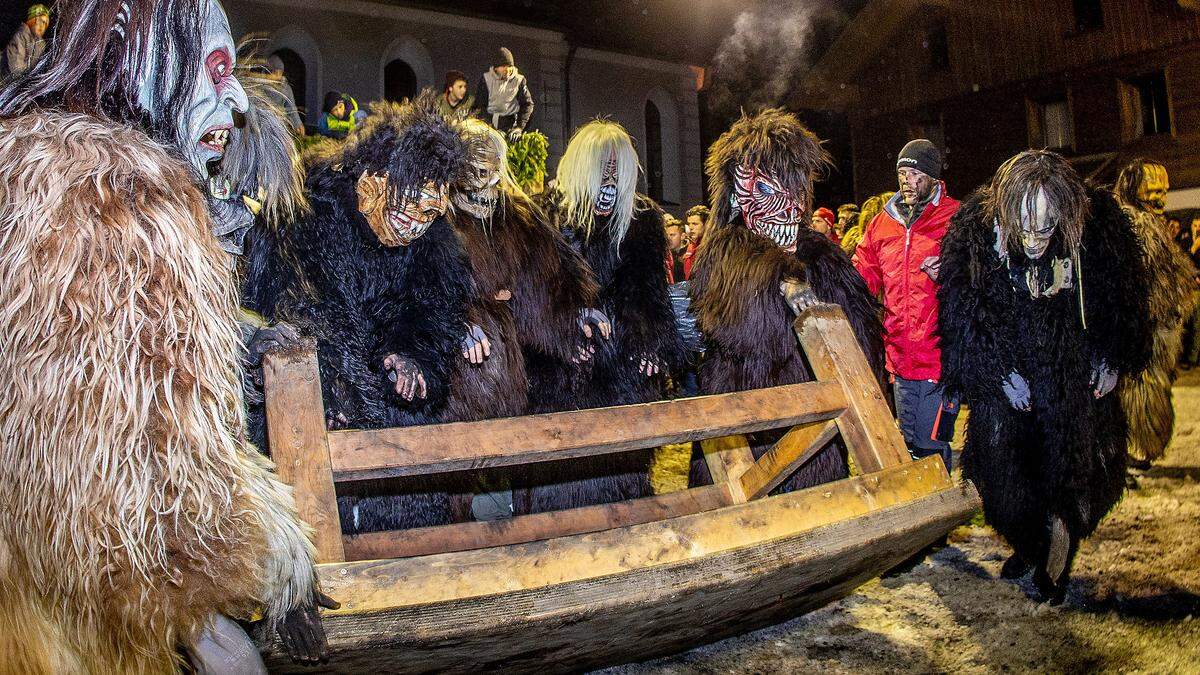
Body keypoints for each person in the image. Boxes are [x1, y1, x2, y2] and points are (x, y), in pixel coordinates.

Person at [0, 0, 331, 669]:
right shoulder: (129, 206)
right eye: (212, 71)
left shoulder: (27, 170)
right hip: (83, 636)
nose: (234, 97)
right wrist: (271, 560)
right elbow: (154, 525)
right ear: (139, 61)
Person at [938, 150, 1151, 603]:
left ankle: (1059, 550)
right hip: (1011, 368)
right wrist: (998, 374)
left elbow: (1122, 299)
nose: (1035, 239)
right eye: (1026, 227)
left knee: (1072, 467)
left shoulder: (1097, 223)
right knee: (1003, 471)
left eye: (1046, 227)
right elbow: (966, 311)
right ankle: (1029, 544)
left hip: (1071, 370)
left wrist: (1111, 360)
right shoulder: (976, 229)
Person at [687, 108, 884, 495]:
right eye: (765, 191)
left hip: (814, 427)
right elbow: (739, 327)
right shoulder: (726, 255)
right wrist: (778, 277)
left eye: (795, 193)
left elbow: (861, 344)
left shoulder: (823, 256)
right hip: (745, 425)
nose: (789, 209)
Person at [853, 140, 960, 470]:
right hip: (898, 359)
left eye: (915, 174)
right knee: (907, 442)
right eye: (902, 173)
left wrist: (952, 272)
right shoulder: (883, 222)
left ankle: (941, 512)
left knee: (931, 446)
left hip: (938, 358)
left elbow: (981, 276)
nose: (907, 181)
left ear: (932, 177)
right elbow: (863, 269)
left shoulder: (955, 217)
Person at [1113, 159, 1198, 470]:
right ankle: (1129, 450)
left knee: (1148, 390)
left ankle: (1135, 448)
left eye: (1165, 190)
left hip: (1156, 329)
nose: (1162, 198)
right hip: (1141, 332)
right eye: (1154, 192)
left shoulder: (1151, 226)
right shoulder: (1135, 226)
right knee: (1135, 393)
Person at [472, 47, 534, 141]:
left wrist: (519, 127)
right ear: (496, 68)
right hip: (487, 131)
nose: (507, 70)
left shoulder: (519, 81)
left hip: (509, 132)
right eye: (503, 66)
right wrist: (490, 129)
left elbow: (527, 104)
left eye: (509, 66)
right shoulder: (486, 80)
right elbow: (479, 106)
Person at [263, 53, 305, 135]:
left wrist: (298, 123)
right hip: (263, 124)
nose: (278, 76)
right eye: (275, 73)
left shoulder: (285, 88)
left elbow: (291, 106)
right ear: (267, 72)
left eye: (280, 73)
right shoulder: (259, 86)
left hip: (279, 124)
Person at [3, 4, 49, 77]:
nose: (42, 26)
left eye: (45, 23)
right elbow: (16, 69)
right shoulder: (20, 36)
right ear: (32, 20)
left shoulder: (41, 43)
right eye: (40, 21)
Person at [664, 216, 690, 283]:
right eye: (667, 235)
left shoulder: (691, 254)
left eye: (672, 235)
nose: (668, 238)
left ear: (683, 236)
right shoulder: (664, 255)